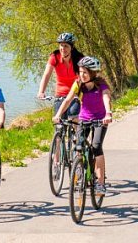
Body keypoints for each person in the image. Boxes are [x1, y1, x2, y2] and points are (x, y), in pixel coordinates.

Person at [52, 56, 112, 196]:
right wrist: (59, 115)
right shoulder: (78, 84)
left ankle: (101, 182)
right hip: (83, 119)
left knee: (96, 146)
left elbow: (106, 97)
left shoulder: (101, 84)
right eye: (80, 72)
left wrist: (108, 113)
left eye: (85, 72)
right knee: (78, 145)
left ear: (92, 72)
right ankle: (79, 170)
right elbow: (68, 100)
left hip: (100, 120)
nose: (82, 75)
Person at [37, 33, 84, 120]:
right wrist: (41, 91)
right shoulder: (55, 56)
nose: (63, 48)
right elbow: (46, 75)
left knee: (73, 117)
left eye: (66, 46)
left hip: (75, 92)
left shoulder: (78, 58)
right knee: (58, 121)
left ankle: (78, 133)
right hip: (60, 93)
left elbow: (85, 76)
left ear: (72, 47)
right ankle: (58, 133)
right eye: (61, 45)